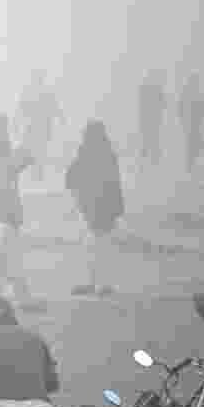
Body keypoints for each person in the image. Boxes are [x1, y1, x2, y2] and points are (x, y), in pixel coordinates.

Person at [0, 113, 35, 306]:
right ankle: (15, 299)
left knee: (3, 261)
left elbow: (24, 158)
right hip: (4, 213)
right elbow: (23, 159)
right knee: (7, 260)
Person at [66, 121, 125, 296]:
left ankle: (95, 283)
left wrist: (79, 195)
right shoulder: (108, 154)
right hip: (104, 207)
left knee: (93, 246)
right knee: (101, 246)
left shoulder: (85, 153)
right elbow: (115, 183)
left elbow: (70, 177)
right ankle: (101, 284)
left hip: (91, 207)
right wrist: (118, 207)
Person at [17, 70, 65, 183]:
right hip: (37, 127)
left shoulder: (38, 92)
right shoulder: (32, 92)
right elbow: (21, 108)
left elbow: (55, 107)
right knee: (37, 150)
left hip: (40, 127)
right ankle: (36, 173)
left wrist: (61, 118)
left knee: (39, 151)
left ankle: (37, 173)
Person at [178, 73, 204, 173]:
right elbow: (203, 107)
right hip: (194, 123)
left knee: (193, 143)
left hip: (193, 123)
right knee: (194, 143)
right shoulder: (195, 93)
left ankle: (192, 164)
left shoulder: (188, 93)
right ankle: (192, 164)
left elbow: (181, 107)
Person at [138, 70, 167, 169]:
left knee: (147, 138)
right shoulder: (157, 87)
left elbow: (141, 104)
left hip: (147, 117)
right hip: (154, 117)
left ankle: (145, 160)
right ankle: (154, 160)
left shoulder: (144, 87)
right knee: (154, 138)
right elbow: (163, 103)